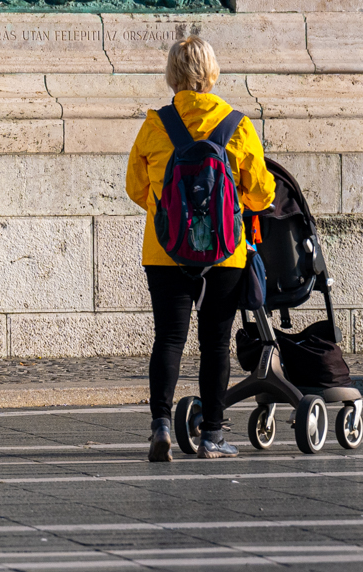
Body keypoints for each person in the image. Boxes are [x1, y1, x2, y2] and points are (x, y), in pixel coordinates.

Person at [123, 37, 275, 461]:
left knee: (169, 340)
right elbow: (262, 193)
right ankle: (211, 435)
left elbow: (136, 187)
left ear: (172, 74)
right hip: (225, 254)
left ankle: (159, 426)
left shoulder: (156, 124)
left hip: (164, 251)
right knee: (215, 343)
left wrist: (171, 213)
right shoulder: (237, 125)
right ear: (212, 72)